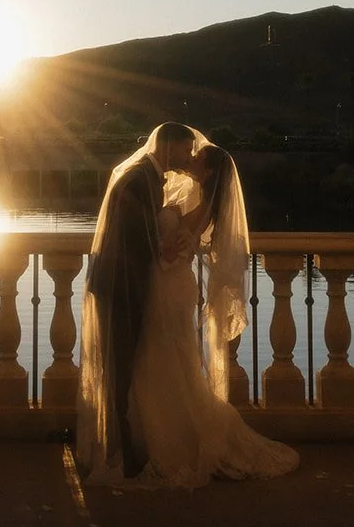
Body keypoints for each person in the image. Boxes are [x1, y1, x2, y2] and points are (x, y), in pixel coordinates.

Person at [79, 134, 300, 488]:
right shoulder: (194, 198)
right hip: (171, 289)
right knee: (168, 361)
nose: (191, 156)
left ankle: (164, 441)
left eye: (196, 156)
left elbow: (171, 254)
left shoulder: (198, 205)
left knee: (160, 359)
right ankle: (149, 436)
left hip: (167, 288)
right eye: (189, 150)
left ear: (207, 171)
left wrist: (157, 249)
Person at [79, 121, 198, 479]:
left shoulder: (145, 176)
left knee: (123, 362)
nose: (189, 156)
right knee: (120, 364)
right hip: (122, 285)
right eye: (186, 149)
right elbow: (134, 235)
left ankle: (120, 445)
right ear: (169, 145)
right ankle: (119, 450)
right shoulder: (139, 179)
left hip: (122, 282)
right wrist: (165, 252)